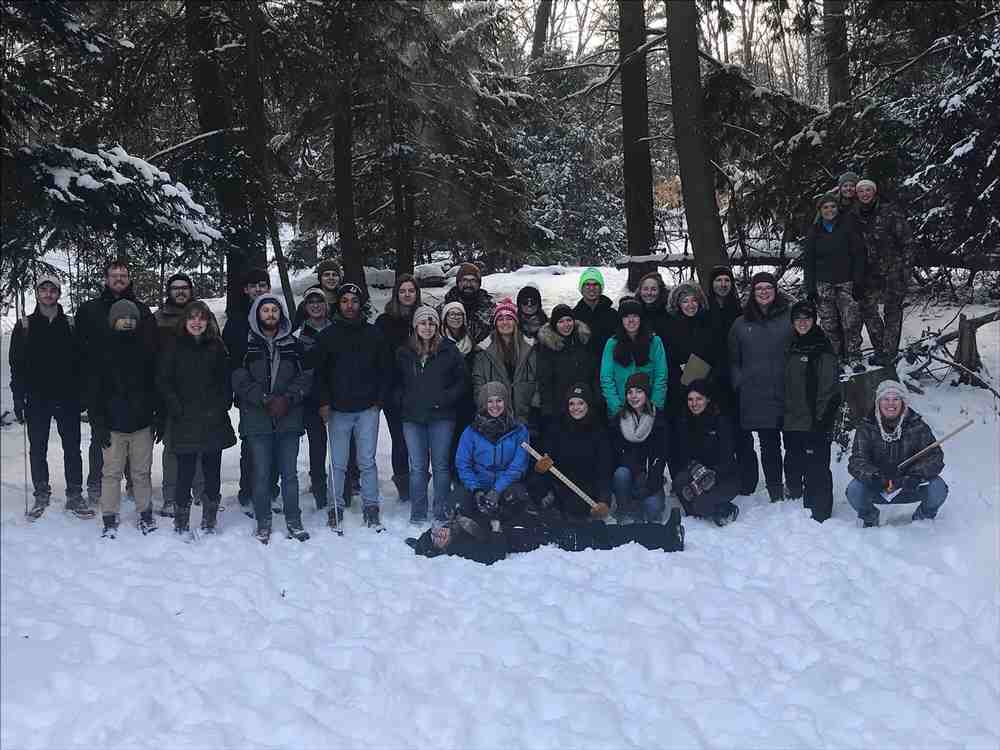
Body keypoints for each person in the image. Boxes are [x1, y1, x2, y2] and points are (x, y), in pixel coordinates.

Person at [9, 276, 92, 520]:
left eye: (52, 289)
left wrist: (83, 394)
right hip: (37, 398)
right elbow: (17, 365)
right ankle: (41, 493)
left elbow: (82, 363)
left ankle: (75, 494)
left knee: (72, 449)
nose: (48, 294)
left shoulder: (70, 325)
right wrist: (18, 398)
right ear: (37, 293)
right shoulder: (24, 325)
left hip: (67, 397)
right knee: (38, 449)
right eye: (43, 289)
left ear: (58, 293)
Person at [232, 294, 313, 543]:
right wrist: (264, 399)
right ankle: (263, 519)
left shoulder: (294, 344)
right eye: (265, 310)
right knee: (261, 473)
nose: (270, 315)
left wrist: (288, 398)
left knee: (289, 473)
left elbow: (306, 376)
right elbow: (239, 378)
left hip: (288, 417)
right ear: (257, 314)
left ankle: (293, 518)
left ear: (281, 315)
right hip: (257, 418)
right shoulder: (245, 344)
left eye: (274, 310)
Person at [76, 259, 154, 505]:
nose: (118, 278)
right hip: (101, 386)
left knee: (135, 437)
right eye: (114, 275)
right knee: (102, 439)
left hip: (135, 387)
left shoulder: (142, 310)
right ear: (106, 279)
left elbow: (151, 348)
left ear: (129, 279)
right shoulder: (89, 310)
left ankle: (134, 484)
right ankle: (96, 484)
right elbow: (78, 350)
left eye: (123, 275)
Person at [314, 283, 392, 531]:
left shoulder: (374, 334)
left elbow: (385, 370)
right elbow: (320, 374)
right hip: (338, 410)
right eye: (345, 300)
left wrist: (380, 399)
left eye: (354, 301)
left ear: (361, 304)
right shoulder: (327, 336)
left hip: (367, 408)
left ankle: (371, 504)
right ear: (338, 304)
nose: (350, 305)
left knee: (366, 460)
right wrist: (324, 402)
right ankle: (334, 505)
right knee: (337, 461)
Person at [156, 301, 237, 534]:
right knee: (185, 472)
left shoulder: (217, 347)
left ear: (207, 321)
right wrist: (175, 406)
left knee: (212, 471)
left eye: (201, 318)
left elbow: (225, 381)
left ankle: (209, 518)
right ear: (185, 321)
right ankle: (181, 520)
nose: (197, 322)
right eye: (192, 318)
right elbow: (163, 380)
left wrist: (221, 405)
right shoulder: (173, 346)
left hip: (213, 419)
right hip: (183, 419)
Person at [85, 299, 161, 538]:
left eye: (131, 319)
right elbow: (94, 393)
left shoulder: (147, 349)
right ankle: (109, 515)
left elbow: (155, 386)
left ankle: (145, 512)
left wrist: (157, 416)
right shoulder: (102, 351)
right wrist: (98, 424)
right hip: (112, 426)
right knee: (111, 473)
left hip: (142, 424)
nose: (127, 322)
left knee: (141, 473)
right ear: (113, 321)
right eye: (122, 318)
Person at [405, 503, 683, 565]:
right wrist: (497, 528)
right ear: (441, 550)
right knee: (611, 538)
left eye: (435, 532)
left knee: (607, 530)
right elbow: (493, 554)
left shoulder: (459, 525)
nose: (440, 534)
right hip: (549, 540)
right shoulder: (462, 549)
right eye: (437, 541)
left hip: (542, 525)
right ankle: (667, 538)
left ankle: (663, 533)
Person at [394, 306, 467, 526]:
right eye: (423, 323)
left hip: (441, 416)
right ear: (415, 325)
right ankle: (418, 511)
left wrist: (445, 398)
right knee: (417, 466)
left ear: (437, 326)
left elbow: (462, 382)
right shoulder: (404, 352)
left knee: (440, 465)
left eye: (432, 323)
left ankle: (441, 509)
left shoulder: (449, 350)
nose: (427, 327)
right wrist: (404, 400)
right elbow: (395, 383)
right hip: (412, 417)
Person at [728, 271, 793, 502]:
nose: (764, 292)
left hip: (788, 391)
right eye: (759, 289)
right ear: (752, 293)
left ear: (775, 291)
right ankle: (775, 489)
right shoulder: (741, 323)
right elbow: (733, 360)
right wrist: (741, 382)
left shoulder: (790, 317)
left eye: (768, 287)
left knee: (793, 443)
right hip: (757, 395)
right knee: (769, 445)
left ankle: (794, 486)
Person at [846, 380, 948, 527]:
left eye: (896, 399)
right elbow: (857, 460)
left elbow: (935, 457)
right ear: (878, 402)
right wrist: (874, 476)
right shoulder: (867, 427)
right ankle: (870, 517)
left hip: (909, 485)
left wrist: (916, 475)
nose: (891, 404)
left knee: (938, 487)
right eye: (885, 399)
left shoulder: (917, 426)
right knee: (855, 489)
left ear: (903, 402)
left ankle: (923, 519)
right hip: (879, 488)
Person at [782, 301, 840, 522]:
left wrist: (822, 421)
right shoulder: (791, 346)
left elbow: (828, 389)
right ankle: (798, 499)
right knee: (796, 462)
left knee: (817, 467)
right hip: (792, 420)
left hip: (815, 421)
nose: (802, 322)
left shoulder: (821, 348)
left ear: (814, 320)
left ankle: (821, 510)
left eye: (807, 318)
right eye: (798, 318)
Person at [222, 267, 274, 514]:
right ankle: (247, 488)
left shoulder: (277, 313)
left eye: (262, 285)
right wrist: (238, 388)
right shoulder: (236, 320)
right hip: (248, 391)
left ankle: (270, 487)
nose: (258, 289)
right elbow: (230, 358)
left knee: (275, 439)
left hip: (276, 390)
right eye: (253, 285)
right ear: (245, 290)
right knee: (251, 441)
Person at [154, 271, 205, 517]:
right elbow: (150, 355)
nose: (180, 291)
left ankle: (201, 492)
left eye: (185, 287)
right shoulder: (158, 318)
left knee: (201, 444)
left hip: (199, 394)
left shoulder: (202, 314)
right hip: (168, 393)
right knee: (172, 446)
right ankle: (171, 497)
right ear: (169, 291)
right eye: (175, 288)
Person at [705, 264, 757, 494]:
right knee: (720, 430)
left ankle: (748, 479)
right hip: (711, 378)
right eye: (719, 281)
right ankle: (724, 476)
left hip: (737, 377)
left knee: (742, 429)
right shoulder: (704, 310)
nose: (723, 285)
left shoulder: (740, 310)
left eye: (727, 281)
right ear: (711, 284)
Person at [450, 381, 531, 529]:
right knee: (457, 502)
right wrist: (476, 490)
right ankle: (476, 524)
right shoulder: (471, 432)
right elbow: (463, 464)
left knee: (519, 499)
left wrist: (496, 490)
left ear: (506, 402)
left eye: (499, 400)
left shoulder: (519, 430)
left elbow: (519, 465)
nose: (495, 406)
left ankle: (503, 527)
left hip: (506, 485)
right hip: (478, 484)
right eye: (490, 401)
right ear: (483, 404)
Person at [852, 178, 912, 367]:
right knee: (867, 308)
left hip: (894, 271)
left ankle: (889, 353)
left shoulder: (890, 212)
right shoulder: (854, 215)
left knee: (892, 311)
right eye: (861, 191)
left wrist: (906, 270)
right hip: (869, 273)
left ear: (874, 192)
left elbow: (907, 242)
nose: (865, 194)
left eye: (868, 190)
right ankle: (880, 348)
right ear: (857, 194)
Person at [803, 193, 866, 371]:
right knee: (829, 324)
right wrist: (810, 288)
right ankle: (835, 358)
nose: (829, 210)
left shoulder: (847, 227)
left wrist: (858, 281)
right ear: (820, 211)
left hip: (846, 282)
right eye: (825, 207)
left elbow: (859, 255)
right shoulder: (814, 232)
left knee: (851, 321)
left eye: (832, 207)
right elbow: (808, 262)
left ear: (837, 209)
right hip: (823, 285)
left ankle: (854, 355)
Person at [532, 383, 612, 522]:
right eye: (571, 404)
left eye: (580, 403)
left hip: (586, 488)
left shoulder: (599, 432)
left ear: (588, 405)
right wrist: (541, 466)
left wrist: (604, 500)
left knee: (575, 509)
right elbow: (547, 455)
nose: (576, 408)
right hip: (561, 484)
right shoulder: (557, 428)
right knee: (535, 483)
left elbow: (604, 471)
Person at [375, 273, 422, 501]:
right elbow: (379, 358)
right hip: (393, 390)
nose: (406, 295)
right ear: (396, 293)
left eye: (411, 291)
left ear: (416, 294)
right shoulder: (385, 322)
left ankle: (421, 481)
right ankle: (404, 485)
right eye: (402, 291)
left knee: (420, 439)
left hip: (420, 390)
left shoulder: (424, 318)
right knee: (400, 439)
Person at [671, 380, 740, 526]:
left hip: (723, 477)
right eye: (690, 399)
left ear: (707, 399)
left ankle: (725, 508)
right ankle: (705, 507)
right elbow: (683, 455)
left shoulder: (721, 421)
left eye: (699, 399)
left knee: (700, 504)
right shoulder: (684, 421)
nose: (694, 404)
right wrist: (697, 473)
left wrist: (710, 474)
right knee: (679, 484)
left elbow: (727, 457)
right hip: (696, 473)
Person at [471, 298, 538, 434]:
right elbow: (478, 384)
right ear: (495, 323)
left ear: (515, 322)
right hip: (495, 418)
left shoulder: (530, 348)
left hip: (526, 417)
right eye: (500, 319)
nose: (505, 322)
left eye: (509, 318)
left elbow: (538, 379)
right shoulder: (484, 351)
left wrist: (535, 407)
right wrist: (487, 410)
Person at [294, 286, 334, 509]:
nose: (316, 305)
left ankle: (344, 487)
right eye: (311, 301)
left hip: (337, 396)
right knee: (317, 446)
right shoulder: (298, 334)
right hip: (311, 399)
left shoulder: (336, 329)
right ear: (305, 306)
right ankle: (319, 488)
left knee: (342, 447)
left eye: (320, 301)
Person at [610, 372, 668, 523]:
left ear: (647, 394)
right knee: (620, 473)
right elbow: (614, 456)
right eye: (629, 392)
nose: (633, 396)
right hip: (628, 477)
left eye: (639, 391)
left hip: (650, 479)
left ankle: (643, 505)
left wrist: (649, 485)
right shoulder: (618, 420)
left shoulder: (659, 419)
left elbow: (660, 457)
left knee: (652, 510)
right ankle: (625, 508)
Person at [535, 304, 599, 435]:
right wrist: (548, 409)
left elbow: (594, 373)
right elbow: (545, 381)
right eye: (561, 321)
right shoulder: (548, 347)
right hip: (560, 405)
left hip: (584, 403)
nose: (566, 325)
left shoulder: (584, 341)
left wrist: (596, 398)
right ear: (554, 324)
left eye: (569, 320)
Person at [600, 297, 668, 420]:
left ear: (641, 319)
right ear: (621, 320)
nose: (631, 320)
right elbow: (606, 379)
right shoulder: (612, 343)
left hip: (649, 409)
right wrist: (616, 408)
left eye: (635, 316)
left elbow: (661, 376)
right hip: (621, 409)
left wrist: (655, 406)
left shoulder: (654, 342)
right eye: (626, 316)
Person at [662, 283, 715, 417]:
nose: (690, 305)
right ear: (678, 304)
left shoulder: (709, 323)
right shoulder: (670, 327)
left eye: (694, 300)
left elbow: (716, 354)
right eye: (685, 301)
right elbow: (668, 359)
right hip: (679, 389)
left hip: (707, 387)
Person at [440, 301, 477, 475]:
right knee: (447, 446)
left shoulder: (472, 342)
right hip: (447, 402)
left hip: (468, 402)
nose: (455, 317)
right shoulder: (438, 343)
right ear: (445, 318)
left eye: (459, 314)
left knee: (466, 444)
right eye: (451, 314)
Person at [439, 262, 495, 345]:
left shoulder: (491, 309)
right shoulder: (443, 309)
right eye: (464, 280)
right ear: (458, 282)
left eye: (473, 280)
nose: (468, 284)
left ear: (479, 284)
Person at [573, 267, 619, 356]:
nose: (591, 288)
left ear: (601, 288)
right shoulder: (574, 316)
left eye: (595, 284)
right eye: (587, 284)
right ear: (581, 288)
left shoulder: (612, 314)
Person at [292, 258, 342, 328]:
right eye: (326, 275)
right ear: (320, 278)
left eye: (334, 275)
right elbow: (296, 331)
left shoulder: (345, 301)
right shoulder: (307, 304)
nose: (331, 278)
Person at [636, 271, 671, 344]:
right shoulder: (635, 312)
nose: (649, 293)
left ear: (660, 291)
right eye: (645, 289)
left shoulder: (669, 312)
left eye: (654, 289)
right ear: (640, 291)